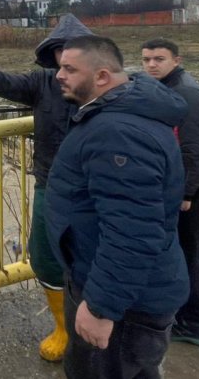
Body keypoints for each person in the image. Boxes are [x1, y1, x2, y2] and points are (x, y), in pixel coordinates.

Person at [0, 14, 92, 362]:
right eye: (61, 50)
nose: (67, 58)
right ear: (53, 54)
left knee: (93, 260)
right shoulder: (42, 82)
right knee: (44, 258)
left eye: (77, 50)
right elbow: (8, 84)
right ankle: (64, 327)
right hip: (50, 184)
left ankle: (101, 325)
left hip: (95, 190)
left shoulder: (107, 86)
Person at [45, 35, 189, 379]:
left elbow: (133, 231)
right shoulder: (120, 111)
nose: (58, 75)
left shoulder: (117, 132)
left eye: (69, 68)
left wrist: (99, 307)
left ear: (102, 77)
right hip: (122, 285)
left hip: (125, 301)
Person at [141, 38, 199, 346]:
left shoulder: (185, 94)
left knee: (187, 254)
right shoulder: (170, 88)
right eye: (147, 59)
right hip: (198, 184)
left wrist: (185, 194)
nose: (151, 65)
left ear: (176, 60)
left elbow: (192, 150)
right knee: (194, 250)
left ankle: (192, 324)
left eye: (159, 59)